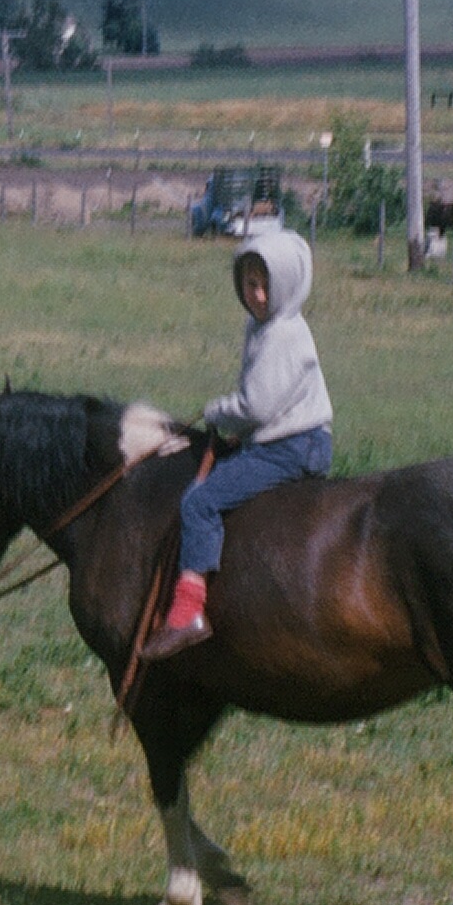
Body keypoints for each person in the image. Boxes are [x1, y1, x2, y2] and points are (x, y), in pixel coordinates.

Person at [142, 227, 331, 658]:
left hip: (292, 445)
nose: (257, 295)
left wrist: (216, 411)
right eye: (249, 284)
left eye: (266, 285)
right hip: (287, 438)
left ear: (285, 285)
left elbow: (257, 406)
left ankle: (189, 609)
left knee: (200, 501)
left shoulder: (283, 333)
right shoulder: (262, 327)